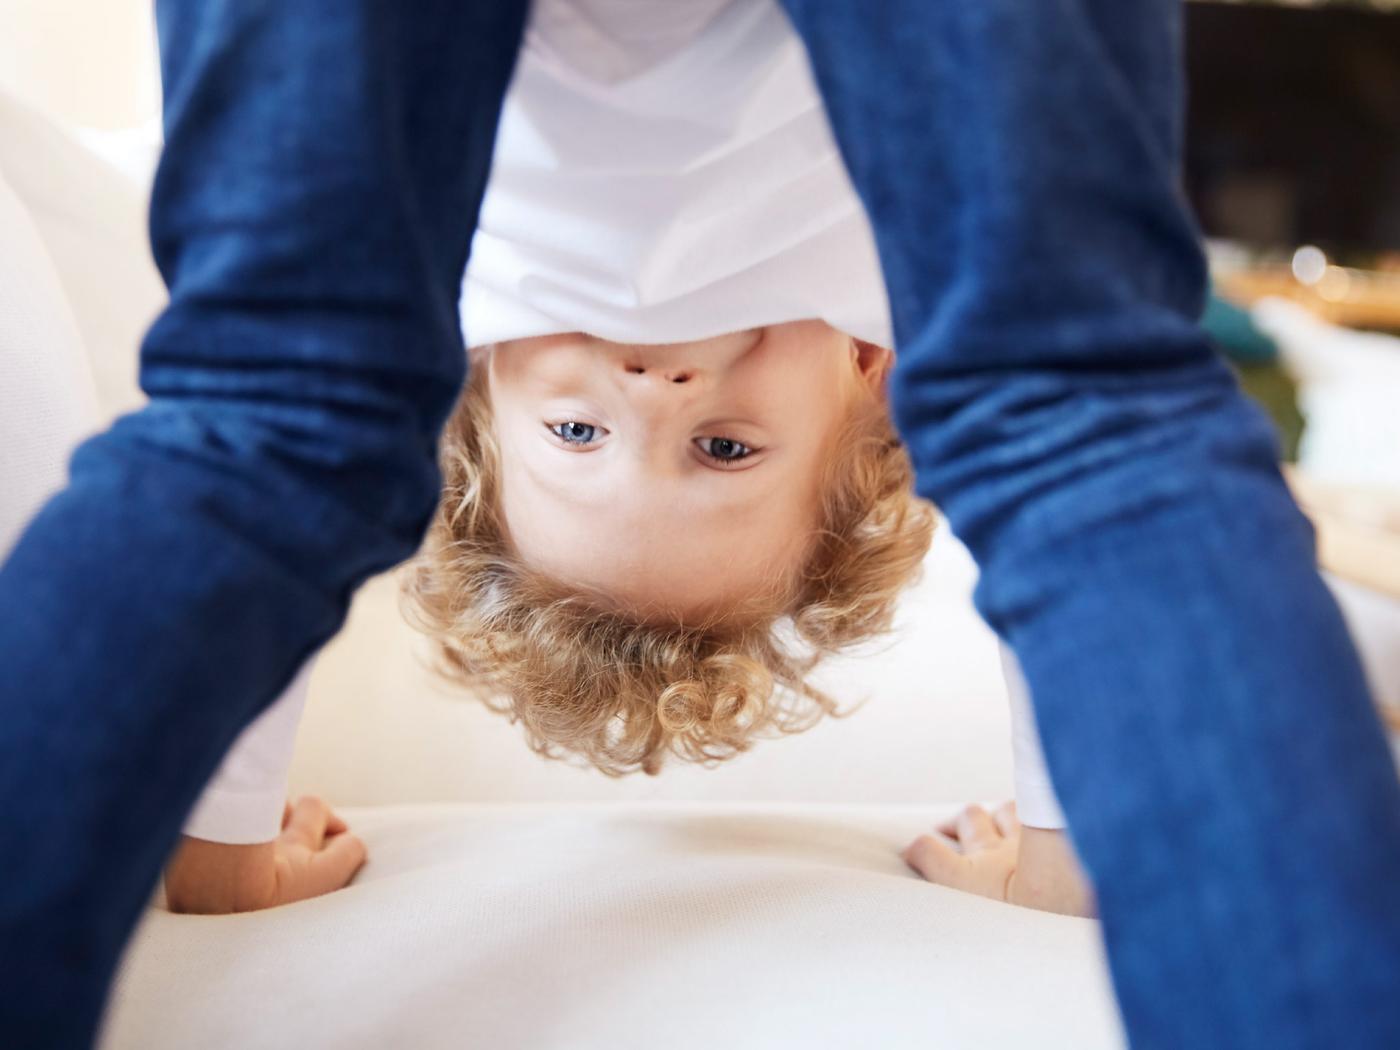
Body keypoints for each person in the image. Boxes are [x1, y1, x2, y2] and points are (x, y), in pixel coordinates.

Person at [3, 3, 1398, 1049]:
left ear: (476, 390)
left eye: (578, 440)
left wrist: (227, 844)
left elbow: (262, 481)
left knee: (274, 414)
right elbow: (1072, 494)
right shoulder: (891, 312)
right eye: (725, 451)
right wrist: (1062, 844)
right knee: (1079, 419)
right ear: (874, 387)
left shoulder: (452, 309)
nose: (652, 391)